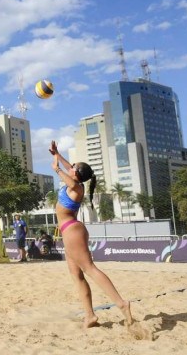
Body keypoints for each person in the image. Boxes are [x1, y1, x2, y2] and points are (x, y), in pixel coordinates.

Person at [49, 140, 133, 328]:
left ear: (77, 174)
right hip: (68, 231)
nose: (69, 167)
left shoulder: (77, 188)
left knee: (89, 268)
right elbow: (68, 168)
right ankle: (90, 315)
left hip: (73, 230)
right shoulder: (74, 181)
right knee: (76, 274)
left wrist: (56, 169)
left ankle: (121, 303)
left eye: (73, 168)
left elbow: (68, 176)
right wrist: (56, 153)